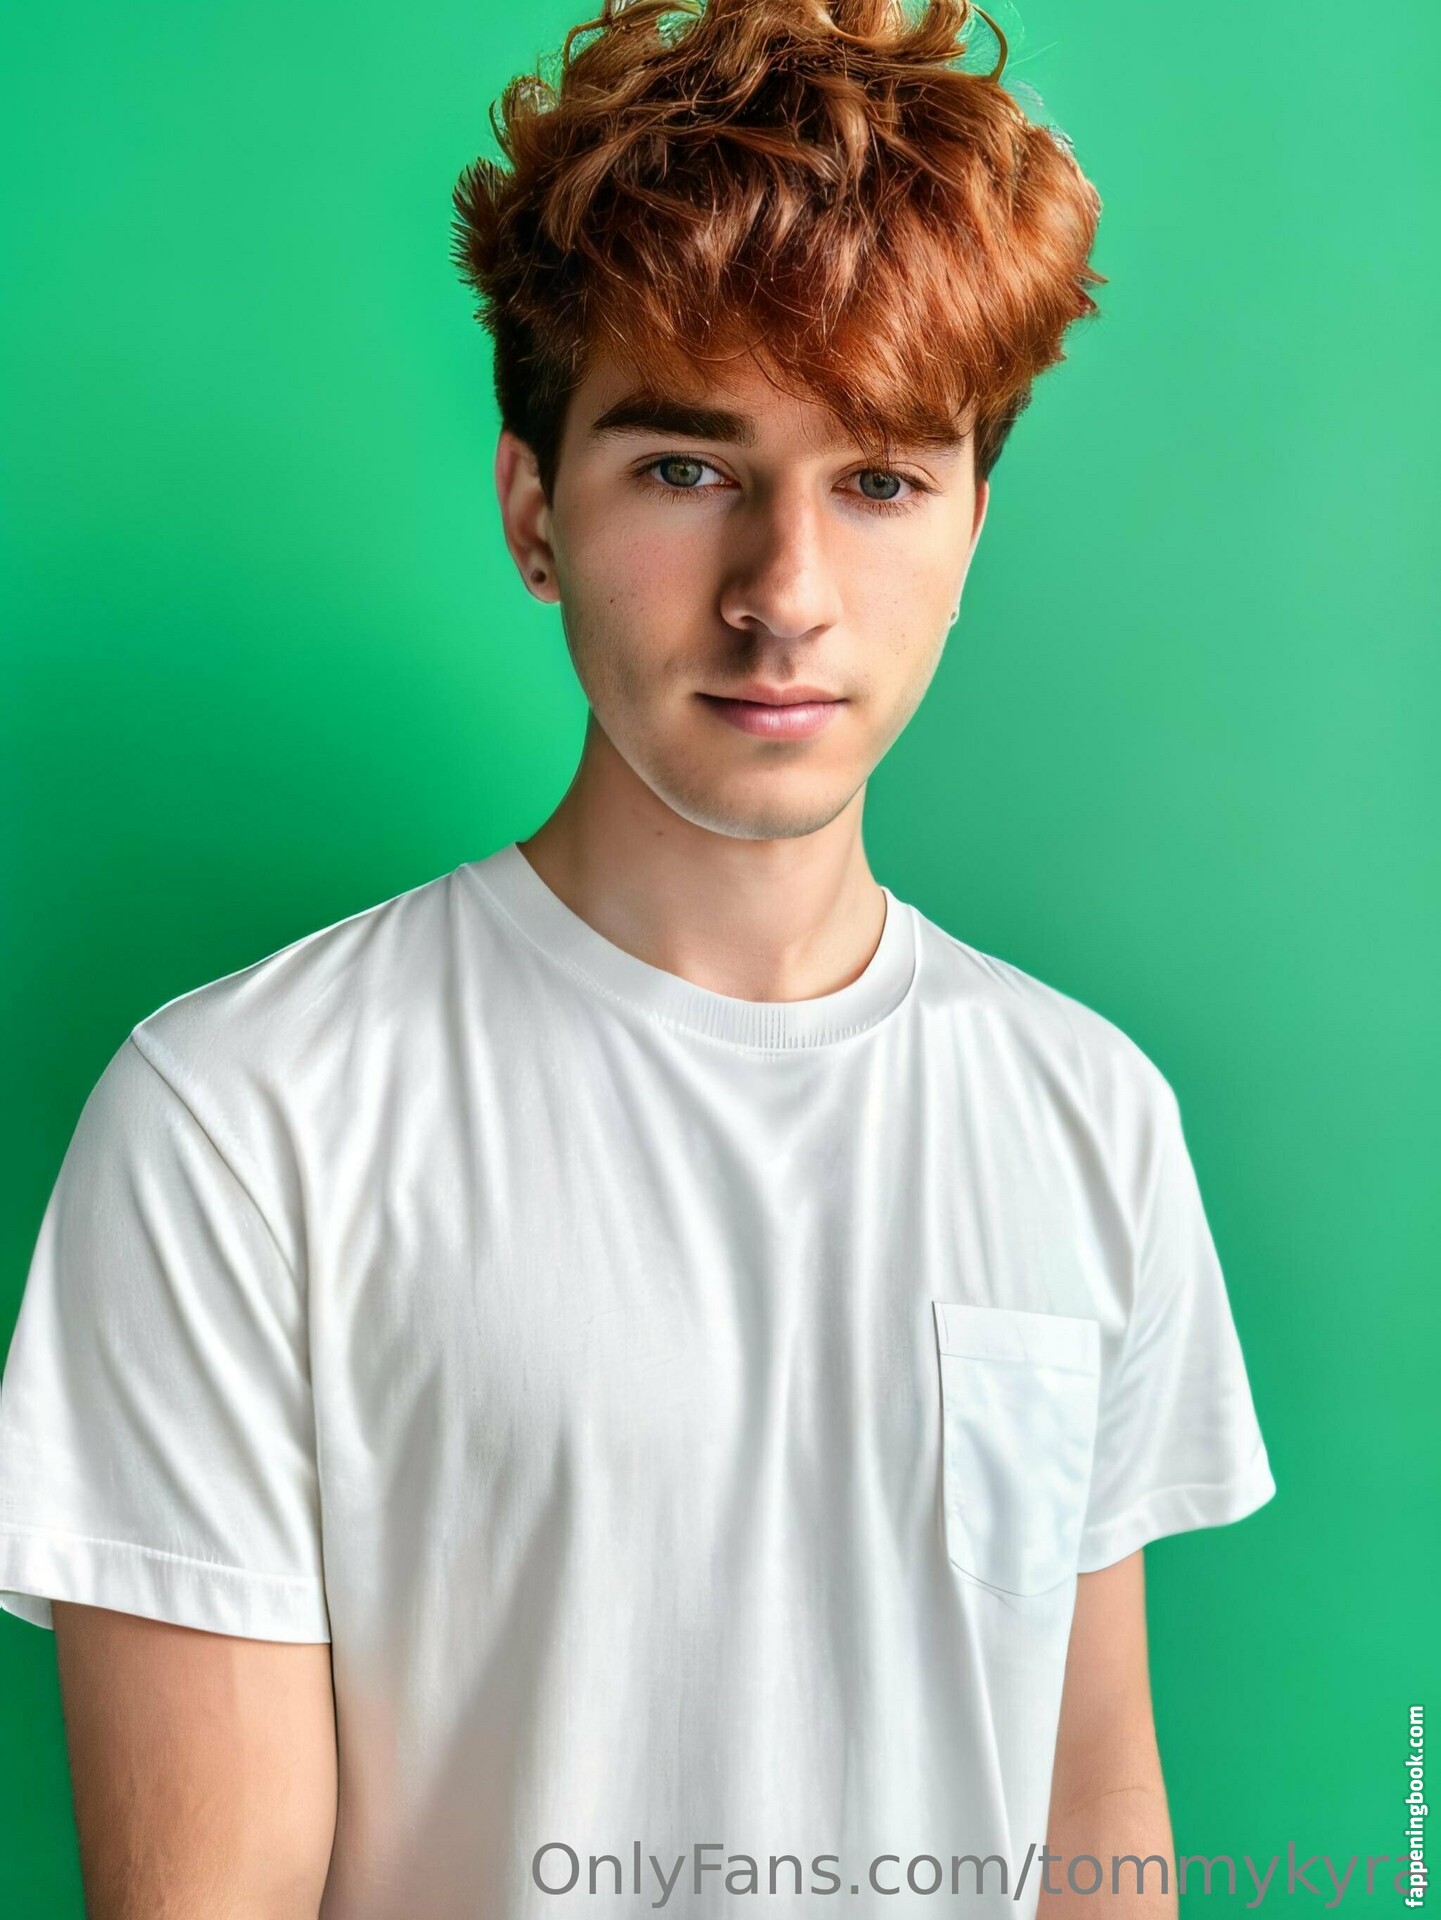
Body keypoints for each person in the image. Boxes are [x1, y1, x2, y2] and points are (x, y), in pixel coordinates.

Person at [0, 1, 1277, 1915]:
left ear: (970, 526)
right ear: (535, 511)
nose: (784, 594)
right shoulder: (244, 1124)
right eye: (687, 469)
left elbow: (1090, 1809)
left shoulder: (1089, 1114)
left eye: (879, 480)